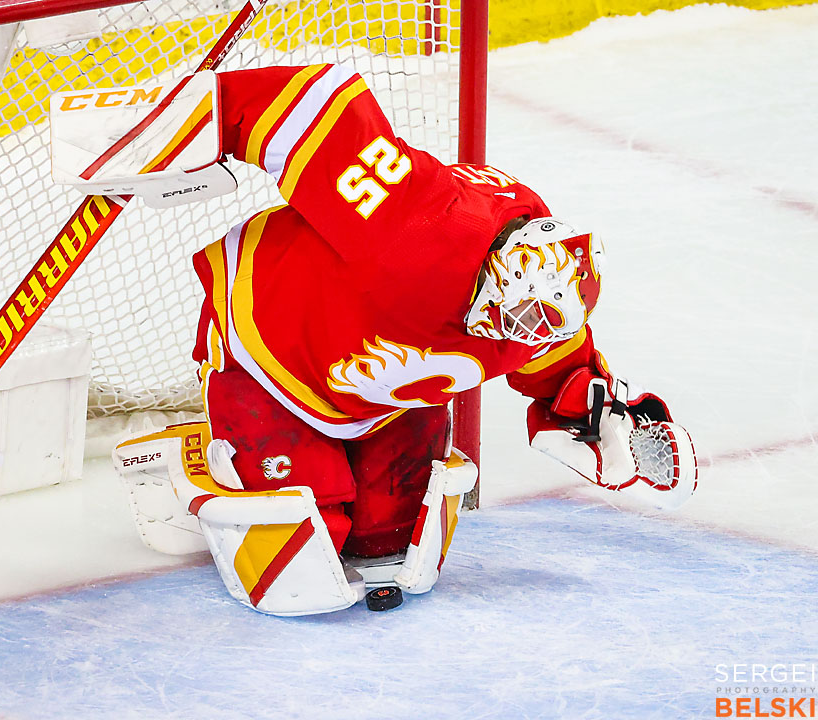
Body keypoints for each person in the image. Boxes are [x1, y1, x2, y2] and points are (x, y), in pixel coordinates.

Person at [115, 64, 697, 615]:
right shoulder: (414, 222)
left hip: (383, 397)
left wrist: (591, 409)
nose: (520, 337)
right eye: (520, 319)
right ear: (497, 276)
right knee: (296, 566)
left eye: (540, 326)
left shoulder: (539, 306)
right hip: (269, 343)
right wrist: (174, 121)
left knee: (394, 541)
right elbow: (314, 105)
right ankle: (192, 466)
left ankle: (316, 462)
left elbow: (556, 361)